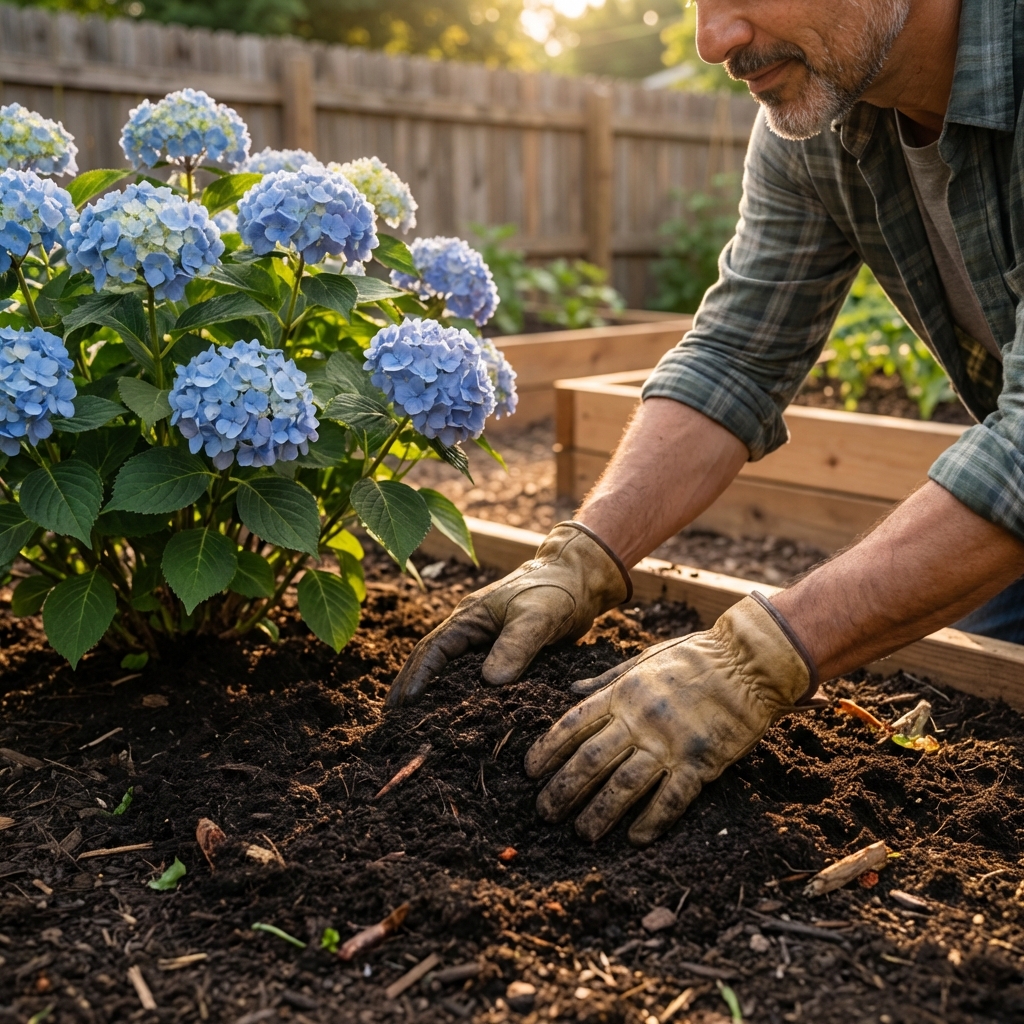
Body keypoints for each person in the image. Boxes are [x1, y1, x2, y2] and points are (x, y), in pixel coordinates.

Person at [388, 0, 1024, 845]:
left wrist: (755, 658)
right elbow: (737, 355)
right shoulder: (826, 114)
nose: (711, 39)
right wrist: (580, 556)